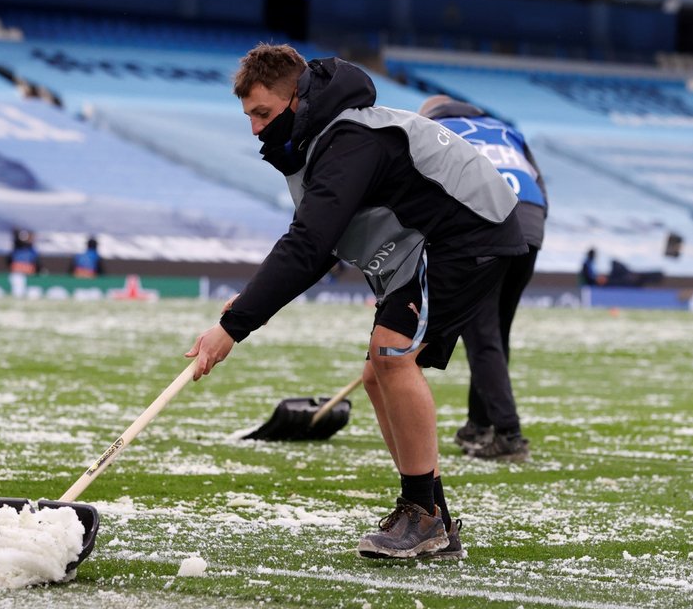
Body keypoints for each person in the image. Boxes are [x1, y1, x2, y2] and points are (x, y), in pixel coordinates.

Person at [186, 44, 526, 560]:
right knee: (377, 372)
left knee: (391, 354)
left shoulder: (348, 138)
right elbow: (321, 243)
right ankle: (433, 516)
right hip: (432, 241)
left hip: (469, 235)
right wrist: (250, 302)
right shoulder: (325, 139)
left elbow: (309, 245)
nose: (255, 130)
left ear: (297, 99)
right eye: (249, 117)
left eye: (263, 114)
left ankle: (424, 517)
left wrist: (232, 325)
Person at [419, 95, 547, 462]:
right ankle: (480, 424)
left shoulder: (433, 129)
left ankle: (508, 434)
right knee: (495, 332)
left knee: (482, 335)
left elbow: (425, 190)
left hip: (484, 226)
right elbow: (541, 186)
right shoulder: (506, 131)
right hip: (530, 224)